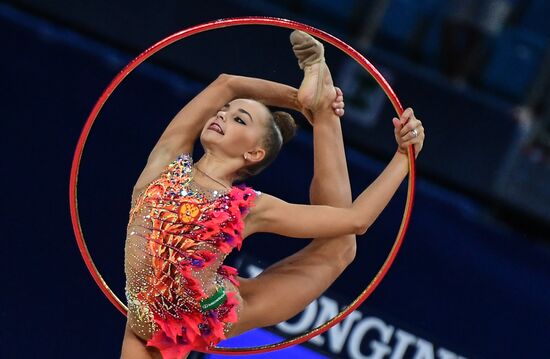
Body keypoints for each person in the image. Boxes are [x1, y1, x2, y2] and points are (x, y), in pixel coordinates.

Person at [120, 30, 425, 359]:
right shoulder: (165, 164)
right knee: (340, 248)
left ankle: (324, 115)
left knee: (340, 248)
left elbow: (357, 220)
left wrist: (402, 158)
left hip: (207, 312)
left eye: (239, 118)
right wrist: (298, 99)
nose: (221, 114)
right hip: (146, 319)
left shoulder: (248, 207)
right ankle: (319, 106)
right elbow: (227, 84)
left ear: (254, 153)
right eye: (223, 111)